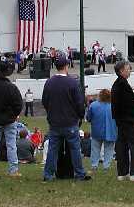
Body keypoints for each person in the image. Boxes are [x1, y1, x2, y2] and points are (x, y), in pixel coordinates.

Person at [42, 51, 90, 181]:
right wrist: (80, 116)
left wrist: (51, 113)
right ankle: (79, 173)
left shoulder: (49, 83)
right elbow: (79, 103)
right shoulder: (72, 83)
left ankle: (48, 174)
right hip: (70, 121)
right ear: (66, 66)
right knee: (75, 149)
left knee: (52, 149)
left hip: (55, 121)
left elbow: (45, 102)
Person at [111, 60, 134, 182]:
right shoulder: (123, 85)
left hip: (120, 120)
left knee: (122, 145)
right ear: (121, 71)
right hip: (128, 120)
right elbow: (131, 102)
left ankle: (123, 173)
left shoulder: (117, 84)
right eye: (128, 68)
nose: (130, 70)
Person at [86, 89, 117, 171]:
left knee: (95, 149)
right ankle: (106, 166)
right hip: (111, 131)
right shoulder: (114, 106)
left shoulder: (93, 105)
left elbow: (88, 118)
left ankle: (94, 165)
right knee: (109, 149)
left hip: (97, 130)